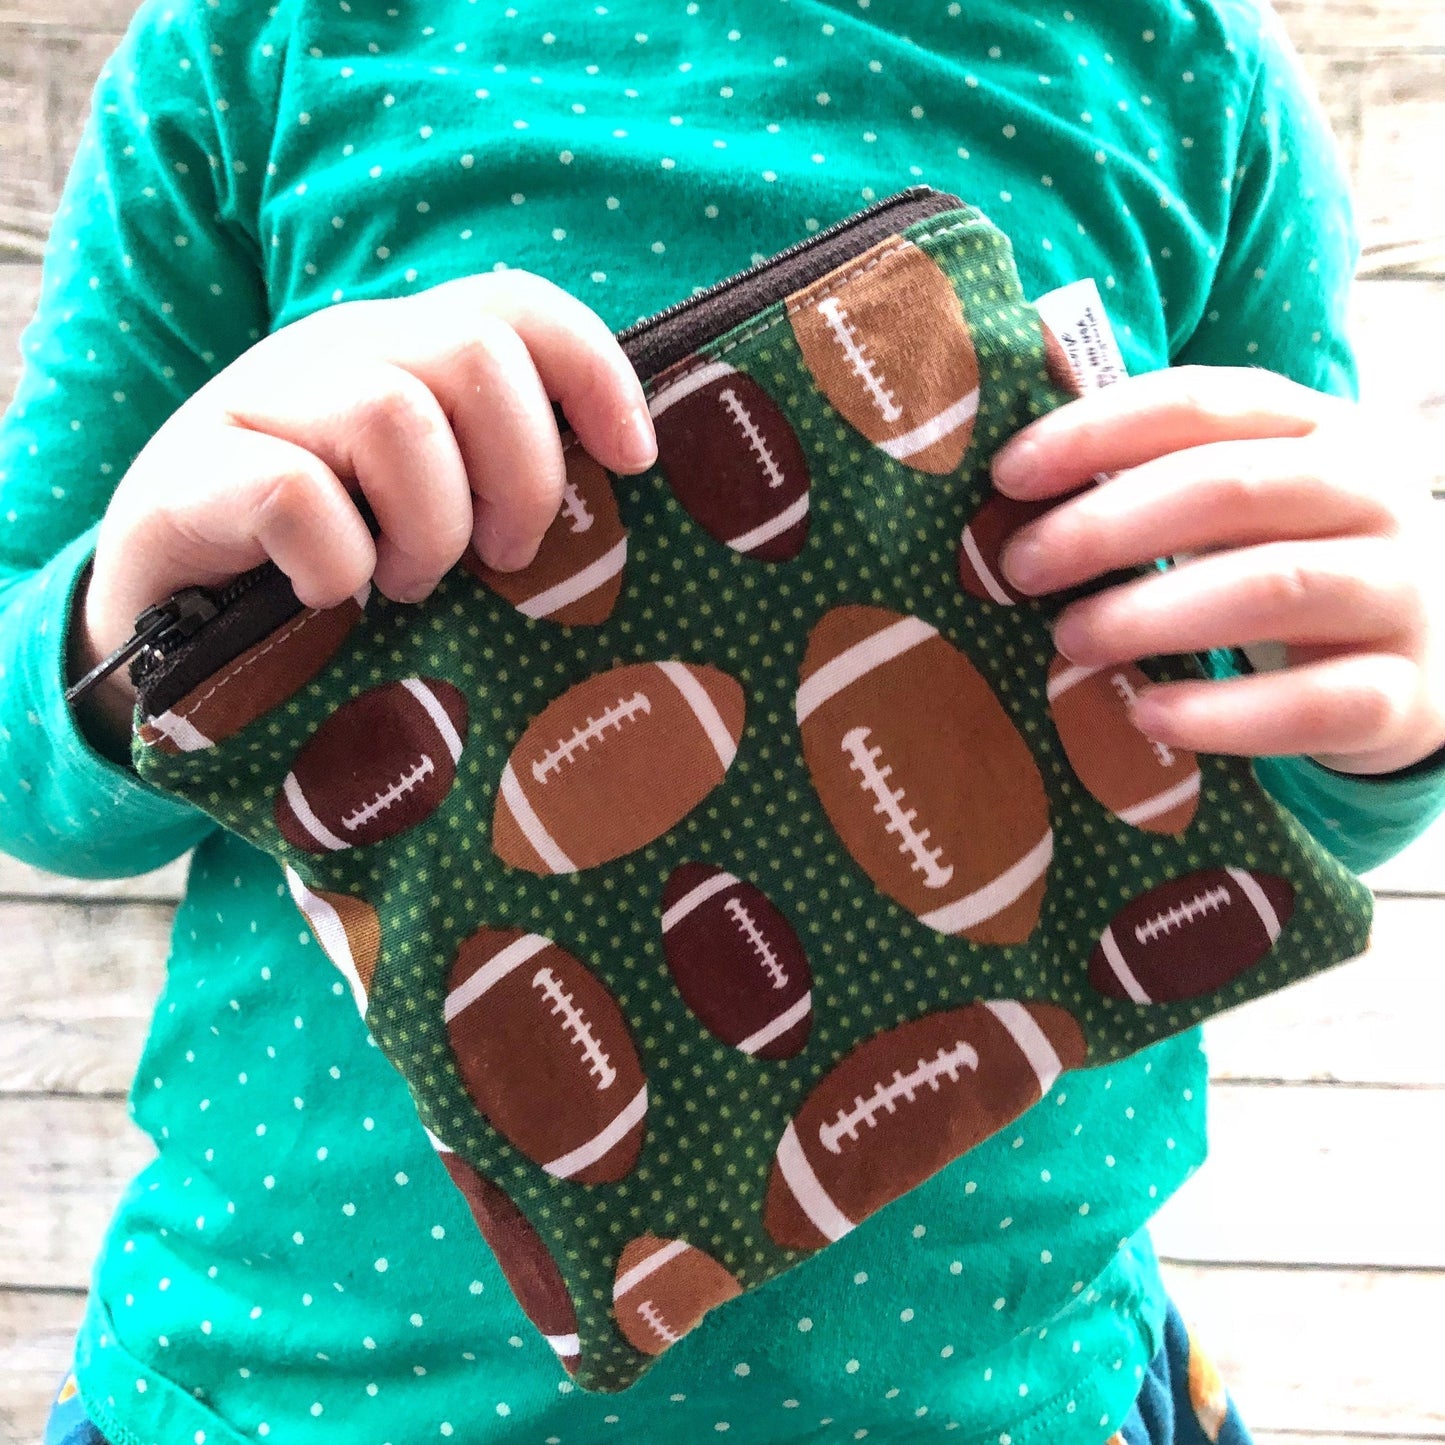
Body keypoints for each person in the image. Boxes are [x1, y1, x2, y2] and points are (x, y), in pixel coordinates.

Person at [3, 0, 1443, 1442]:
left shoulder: (1182, 67)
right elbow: (24, 745)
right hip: (279, 1390)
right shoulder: (268, 45)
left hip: (1015, 1390)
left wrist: (1384, 704)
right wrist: (127, 613)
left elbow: (1260, 766)